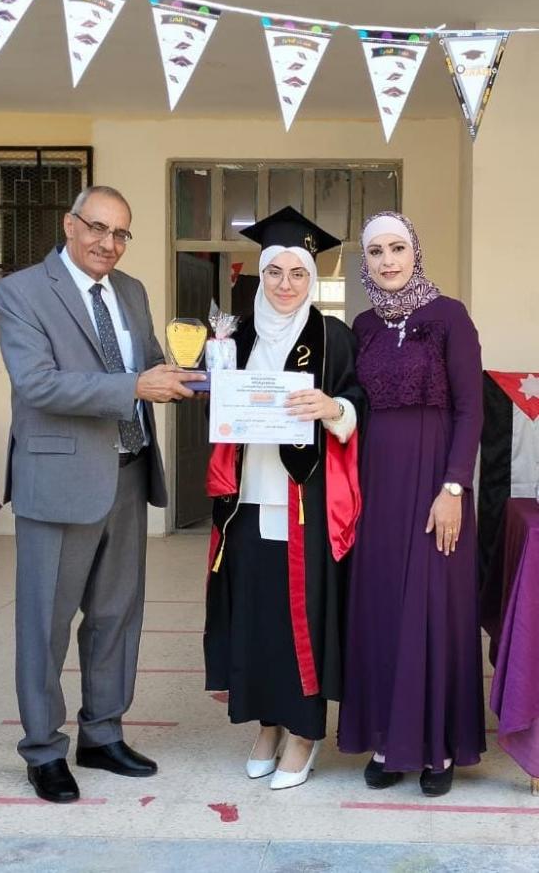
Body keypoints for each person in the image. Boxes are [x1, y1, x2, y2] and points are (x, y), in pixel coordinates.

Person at [0, 185, 204, 803]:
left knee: (116, 615)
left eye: (120, 234)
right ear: (70, 225)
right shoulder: (22, 292)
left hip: (128, 472)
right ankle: (42, 750)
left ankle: (103, 734)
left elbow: (153, 366)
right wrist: (133, 387)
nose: (108, 244)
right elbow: (38, 384)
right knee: (46, 624)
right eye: (97, 228)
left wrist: (211, 373)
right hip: (59, 480)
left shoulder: (131, 291)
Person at [204, 206, 365, 790]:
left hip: (306, 501)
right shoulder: (234, 336)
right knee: (255, 613)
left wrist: (334, 408)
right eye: (275, 272)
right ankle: (266, 725)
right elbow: (217, 406)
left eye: (298, 273)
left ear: (312, 279)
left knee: (303, 615)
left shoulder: (333, 337)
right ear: (261, 274)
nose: (285, 284)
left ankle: (303, 731)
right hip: (245, 499)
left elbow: (358, 402)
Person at [338, 211, 485, 797]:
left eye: (397, 248)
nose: (388, 260)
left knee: (434, 609)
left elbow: (471, 409)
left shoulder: (450, 316)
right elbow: (352, 405)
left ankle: (437, 749)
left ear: (415, 252)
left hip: (436, 484)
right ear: (366, 261)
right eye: (376, 251)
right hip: (377, 484)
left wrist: (454, 488)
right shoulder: (363, 325)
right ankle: (387, 741)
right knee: (382, 607)